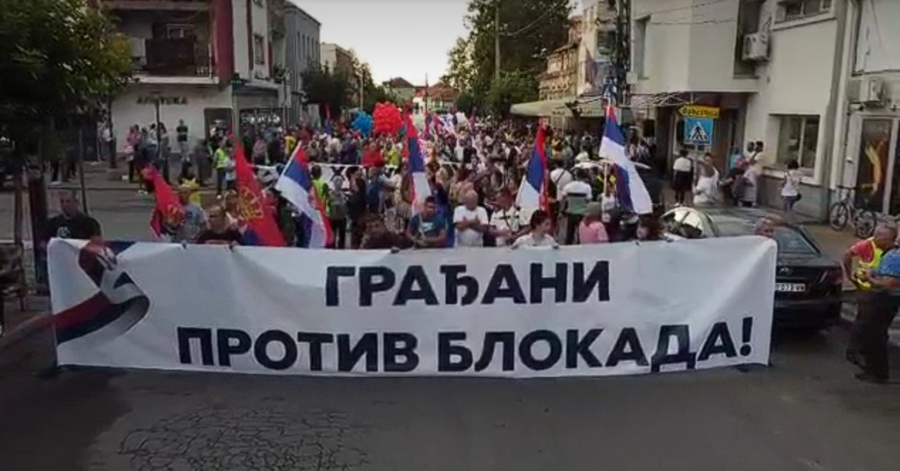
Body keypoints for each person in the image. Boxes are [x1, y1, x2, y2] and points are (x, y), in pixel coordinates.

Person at [844, 223, 897, 383]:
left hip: (885, 299)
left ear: (886, 239)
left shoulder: (893, 256)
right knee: (873, 332)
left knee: (874, 334)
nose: (874, 239)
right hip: (881, 297)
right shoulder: (889, 253)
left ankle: (877, 372)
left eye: (878, 236)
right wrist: (874, 272)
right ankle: (872, 366)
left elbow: (888, 284)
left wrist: (869, 278)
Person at [561, 168, 593, 245]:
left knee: (569, 234)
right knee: (581, 234)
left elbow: (563, 199)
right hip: (582, 213)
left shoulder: (568, 186)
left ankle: (567, 247)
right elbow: (589, 200)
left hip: (571, 212)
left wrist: (561, 211)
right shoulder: (587, 187)